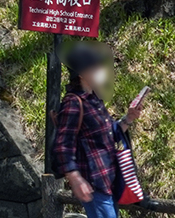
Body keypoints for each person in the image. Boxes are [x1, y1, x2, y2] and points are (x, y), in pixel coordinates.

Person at [53, 43, 144, 218]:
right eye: (95, 67)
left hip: (108, 182)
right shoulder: (73, 103)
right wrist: (75, 178)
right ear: (81, 74)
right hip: (93, 184)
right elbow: (63, 145)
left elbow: (110, 134)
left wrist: (129, 118)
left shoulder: (94, 99)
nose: (101, 70)